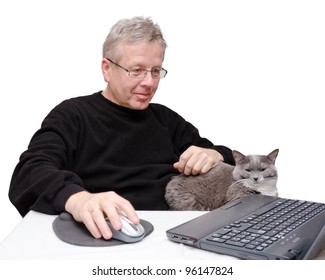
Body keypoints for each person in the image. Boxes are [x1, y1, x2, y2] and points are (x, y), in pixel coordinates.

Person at [9, 16, 235, 240]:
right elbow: (30, 172)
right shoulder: (72, 115)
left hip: (179, 231)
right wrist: (79, 200)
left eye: (155, 71)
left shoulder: (166, 119)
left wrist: (214, 154)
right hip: (113, 233)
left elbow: (228, 160)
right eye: (136, 70)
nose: (149, 82)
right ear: (107, 69)